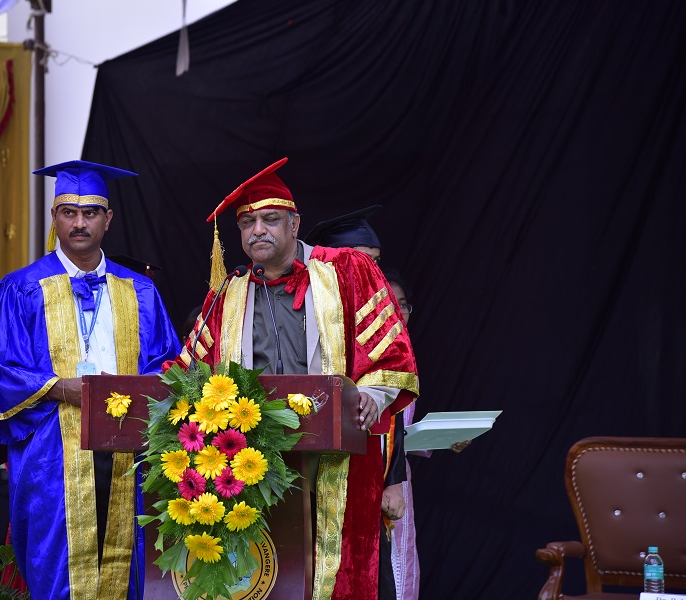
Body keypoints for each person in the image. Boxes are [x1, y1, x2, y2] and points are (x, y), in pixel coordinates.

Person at [176, 158, 419, 600]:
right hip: (254, 462)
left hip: (337, 457)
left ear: (294, 224)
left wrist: (372, 393)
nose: (258, 231)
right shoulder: (229, 292)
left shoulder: (345, 270)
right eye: (247, 223)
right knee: (272, 577)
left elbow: (391, 348)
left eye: (270, 219)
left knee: (339, 573)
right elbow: (190, 372)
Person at [0, 160, 181, 599]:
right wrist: (61, 388)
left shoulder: (140, 290)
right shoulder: (21, 288)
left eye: (90, 213)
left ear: (108, 219)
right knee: (55, 563)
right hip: (52, 448)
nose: (79, 223)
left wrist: (131, 392)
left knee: (130, 560)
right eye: (69, 212)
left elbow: (169, 365)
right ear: (54, 218)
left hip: (130, 446)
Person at [306, 206, 408, 599]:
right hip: (312, 471)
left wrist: (393, 481)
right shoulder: (309, 310)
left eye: (376, 262)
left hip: (365, 476)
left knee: (364, 568)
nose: (371, 272)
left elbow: (391, 412)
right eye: (363, 260)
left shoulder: (378, 320)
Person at [381, 268, 469, 600]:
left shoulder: (404, 356)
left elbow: (399, 433)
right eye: (389, 304)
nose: (398, 312)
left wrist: (440, 439)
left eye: (403, 305)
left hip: (399, 479)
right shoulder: (358, 358)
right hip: (370, 479)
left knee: (401, 562)